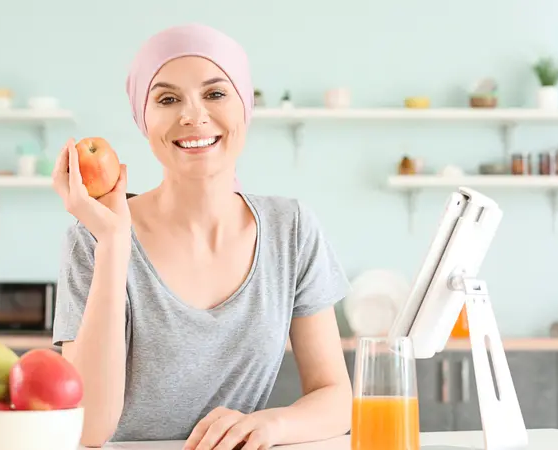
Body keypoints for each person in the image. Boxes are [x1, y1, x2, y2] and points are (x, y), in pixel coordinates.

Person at [51, 23, 352, 450]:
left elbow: (336, 397)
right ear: (143, 119)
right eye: (168, 99)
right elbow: (87, 428)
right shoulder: (93, 238)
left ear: (244, 106)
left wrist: (274, 425)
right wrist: (115, 242)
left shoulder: (292, 228)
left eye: (215, 94)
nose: (192, 115)